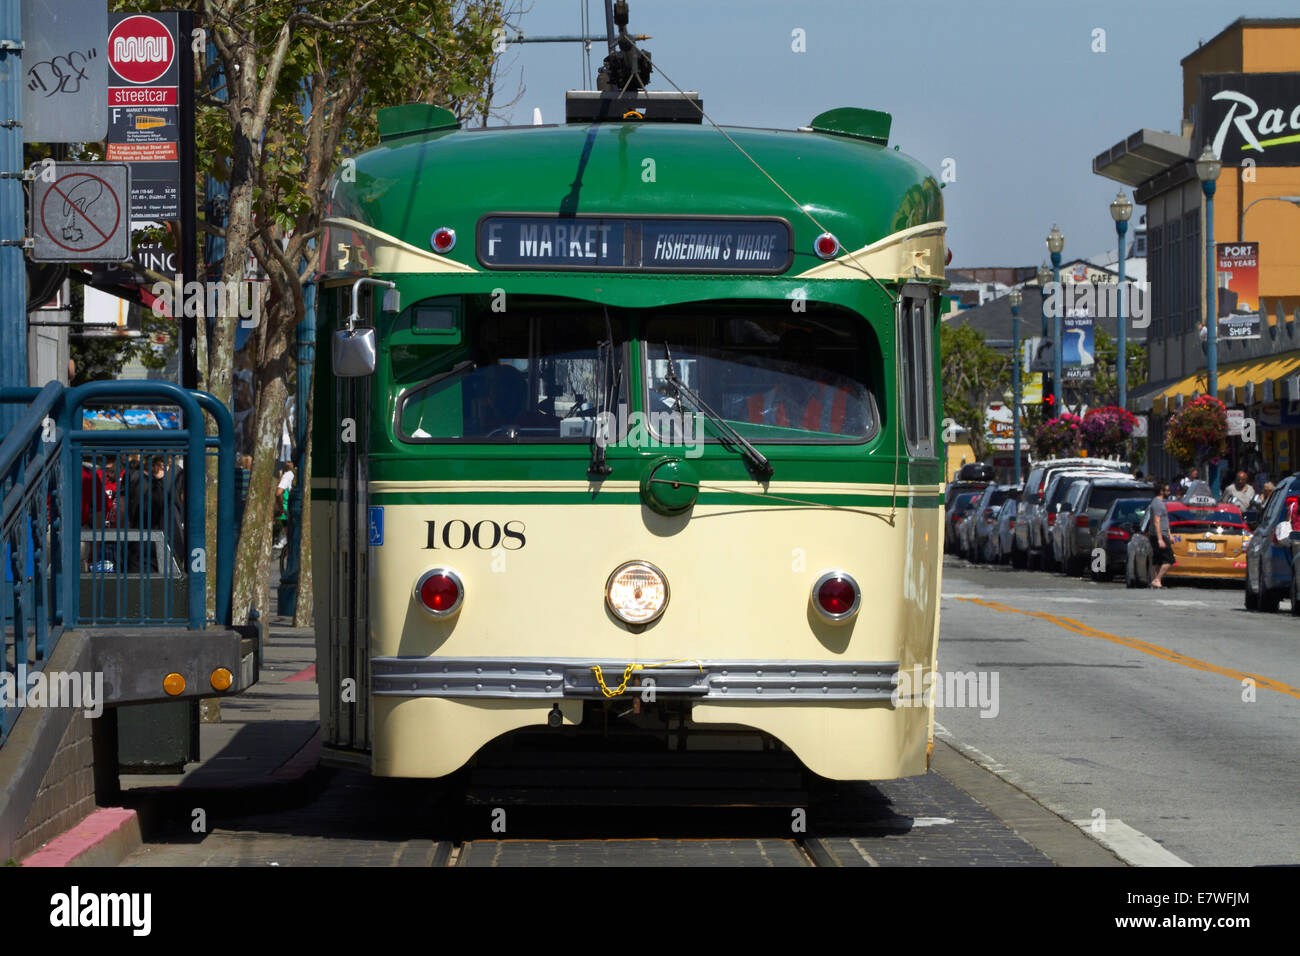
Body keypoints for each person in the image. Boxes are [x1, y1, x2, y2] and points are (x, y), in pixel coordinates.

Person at [1148, 482, 1175, 589]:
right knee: (1169, 559)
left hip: (1162, 534)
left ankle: (1154, 581)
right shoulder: (1157, 504)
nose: (1169, 492)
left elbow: (1165, 521)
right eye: (1167, 490)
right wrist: (1160, 539)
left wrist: (1170, 534)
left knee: (1157, 560)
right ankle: (1157, 579)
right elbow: (1156, 521)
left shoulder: (1159, 503)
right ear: (1161, 491)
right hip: (1159, 536)